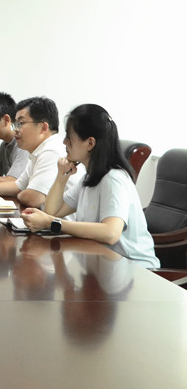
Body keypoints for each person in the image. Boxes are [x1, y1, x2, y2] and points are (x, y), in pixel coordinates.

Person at [20, 104, 159, 268]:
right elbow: (52, 211)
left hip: (135, 269)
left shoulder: (114, 178)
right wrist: (61, 178)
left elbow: (111, 233)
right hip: (104, 264)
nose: (64, 142)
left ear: (90, 143)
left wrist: (52, 223)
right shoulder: (89, 177)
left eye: (69, 137)